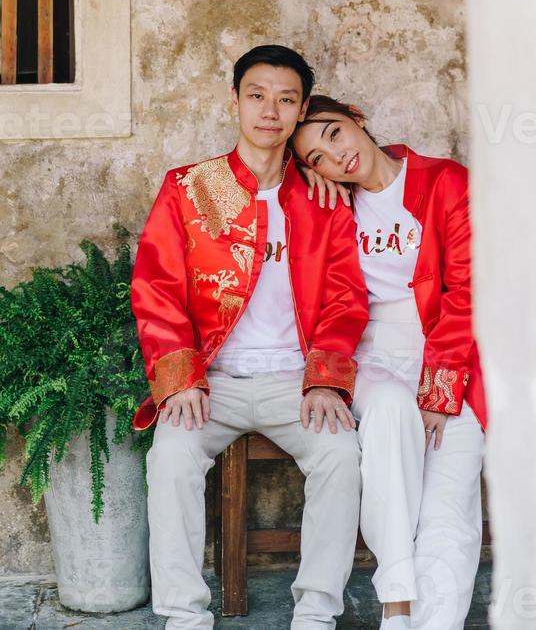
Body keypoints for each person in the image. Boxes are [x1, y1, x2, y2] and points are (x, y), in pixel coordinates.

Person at [131, 48, 369, 630]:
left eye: (286, 99)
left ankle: (315, 613)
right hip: (212, 381)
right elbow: (157, 284)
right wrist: (180, 375)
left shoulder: (323, 197)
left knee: (341, 456)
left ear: (302, 108)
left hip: (296, 381)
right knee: (170, 458)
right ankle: (185, 616)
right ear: (234, 100)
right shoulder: (189, 188)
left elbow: (345, 297)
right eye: (257, 95)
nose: (271, 110)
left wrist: (327, 382)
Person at [291, 96, 487, 630]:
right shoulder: (331, 206)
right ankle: (396, 606)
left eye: (333, 134)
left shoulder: (445, 182)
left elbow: (468, 291)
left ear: (356, 119)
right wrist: (307, 187)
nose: (335, 156)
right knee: (390, 430)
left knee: (449, 505)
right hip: (369, 355)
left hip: (448, 352)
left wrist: (441, 391)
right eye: (316, 158)